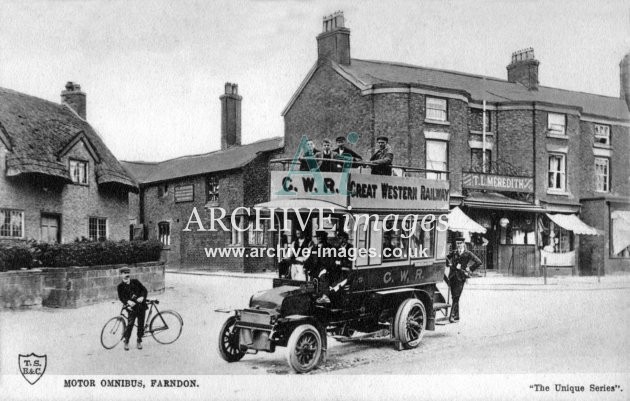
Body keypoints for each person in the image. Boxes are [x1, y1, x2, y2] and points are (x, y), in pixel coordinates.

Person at [444, 236, 482, 323]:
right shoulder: (454, 253)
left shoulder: (468, 253)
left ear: (464, 244)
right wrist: (449, 264)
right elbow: (445, 258)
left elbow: (479, 262)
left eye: (460, 243)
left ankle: (452, 316)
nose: (458, 245)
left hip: (461, 277)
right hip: (452, 276)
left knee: (456, 297)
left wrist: (470, 268)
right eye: (457, 243)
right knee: (454, 296)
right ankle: (457, 316)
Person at [117, 267, 148, 350]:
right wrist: (127, 301)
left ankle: (139, 341)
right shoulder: (120, 287)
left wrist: (142, 297)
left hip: (141, 306)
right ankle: (126, 341)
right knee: (130, 324)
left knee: (141, 324)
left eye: (128, 273)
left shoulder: (136, 282)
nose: (126, 275)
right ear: (121, 275)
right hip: (131, 308)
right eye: (124, 273)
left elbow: (144, 290)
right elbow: (121, 297)